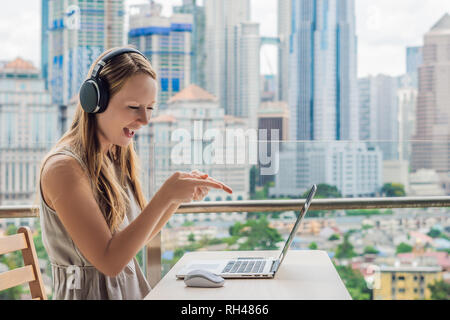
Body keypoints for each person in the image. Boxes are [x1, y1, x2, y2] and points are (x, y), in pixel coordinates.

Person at [36, 46, 232, 299]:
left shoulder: (113, 157)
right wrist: (164, 196)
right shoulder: (64, 169)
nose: (145, 120)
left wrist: (174, 199)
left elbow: (134, 242)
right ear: (95, 102)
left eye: (150, 108)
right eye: (133, 107)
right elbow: (109, 261)